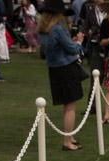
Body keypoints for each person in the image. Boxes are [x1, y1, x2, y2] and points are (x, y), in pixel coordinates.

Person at [38, 0, 84, 150]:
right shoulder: (57, 29)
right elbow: (71, 49)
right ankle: (67, 140)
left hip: (54, 69)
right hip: (66, 68)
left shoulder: (44, 30)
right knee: (70, 107)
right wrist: (79, 42)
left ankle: (69, 137)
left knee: (67, 106)